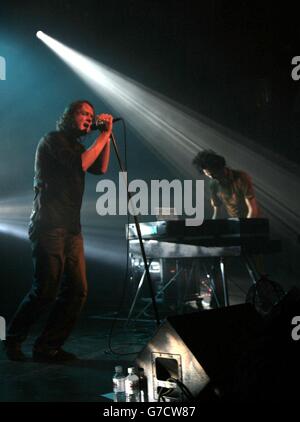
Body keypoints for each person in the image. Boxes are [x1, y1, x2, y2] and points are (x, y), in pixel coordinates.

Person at [4, 100, 113, 362]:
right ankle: (13, 340)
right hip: (48, 225)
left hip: (72, 230)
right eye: (84, 114)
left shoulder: (78, 146)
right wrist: (105, 135)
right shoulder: (53, 140)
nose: (89, 118)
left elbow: (100, 168)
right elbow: (82, 164)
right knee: (46, 289)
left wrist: (104, 138)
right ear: (69, 116)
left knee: (77, 290)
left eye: (91, 115)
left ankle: (47, 347)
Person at [193, 149, 260, 219]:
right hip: (234, 221)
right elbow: (217, 210)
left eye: (213, 173)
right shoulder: (213, 184)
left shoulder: (241, 178)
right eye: (208, 175)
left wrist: (244, 227)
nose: (212, 177)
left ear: (220, 167)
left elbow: (252, 209)